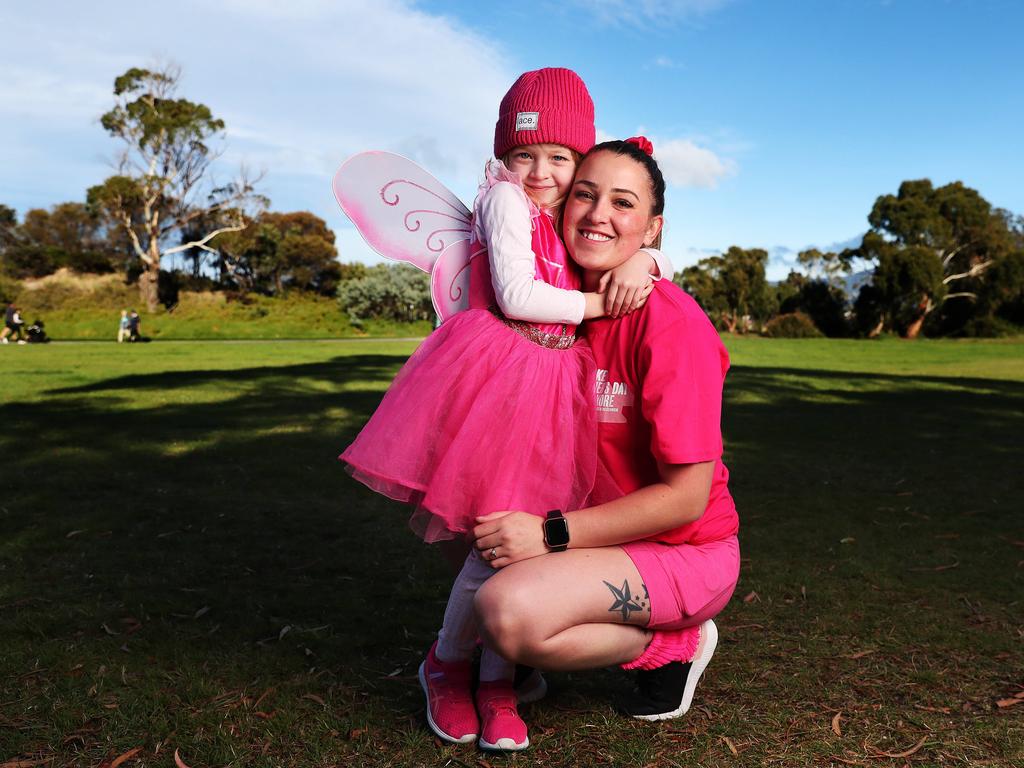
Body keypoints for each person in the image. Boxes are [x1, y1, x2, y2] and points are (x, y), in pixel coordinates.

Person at [339, 70, 672, 751]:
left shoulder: (571, 213)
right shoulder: (506, 202)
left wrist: (652, 262)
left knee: (524, 542)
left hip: (558, 388)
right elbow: (518, 292)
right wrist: (603, 302)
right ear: (504, 158)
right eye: (526, 155)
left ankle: (500, 679)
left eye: (559, 156)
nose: (541, 171)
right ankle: (449, 666)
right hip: (502, 374)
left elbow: (623, 241)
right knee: (496, 536)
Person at [471, 138, 740, 725]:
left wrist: (550, 535)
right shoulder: (562, 303)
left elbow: (686, 497)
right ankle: (528, 653)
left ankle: (673, 647)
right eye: (585, 195)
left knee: (506, 613)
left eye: (623, 203)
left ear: (653, 229)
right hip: (601, 540)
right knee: (462, 527)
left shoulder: (671, 325)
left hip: (684, 548)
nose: (597, 214)